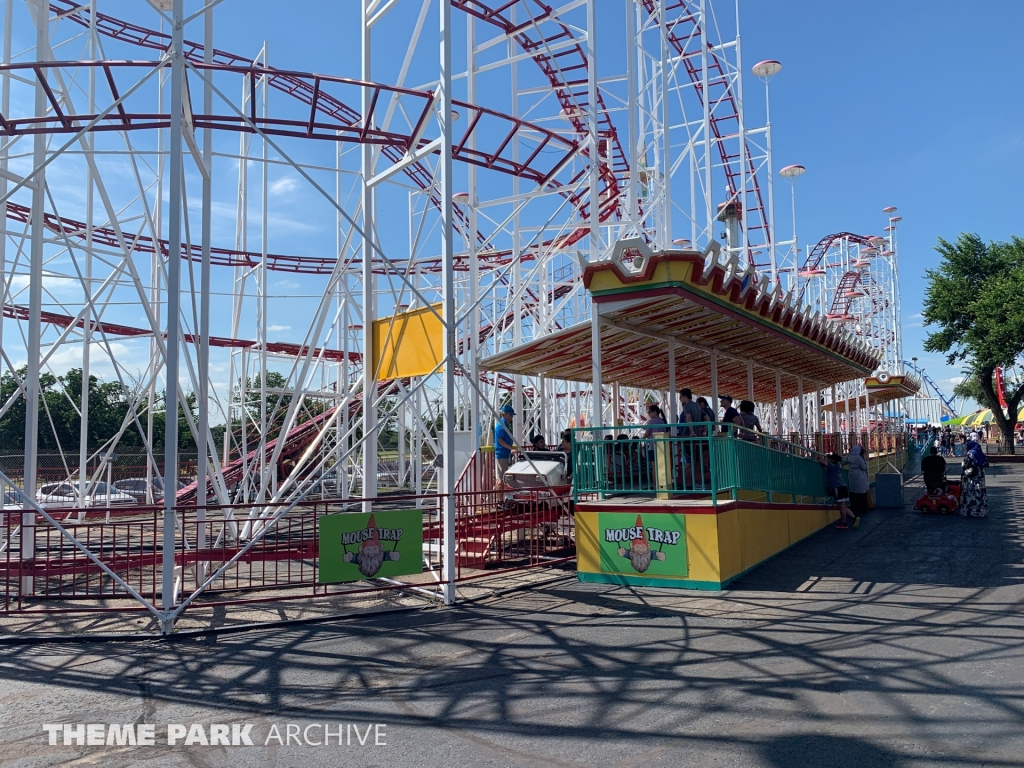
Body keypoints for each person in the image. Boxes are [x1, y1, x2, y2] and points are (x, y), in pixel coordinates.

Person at [820, 452, 858, 529]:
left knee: (841, 506)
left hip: (837, 487)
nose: (827, 459)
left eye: (829, 458)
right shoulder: (838, 466)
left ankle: (844, 523)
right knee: (843, 505)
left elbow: (821, 461)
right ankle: (854, 518)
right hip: (842, 487)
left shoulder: (832, 466)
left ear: (832, 460)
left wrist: (821, 458)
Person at [959, 439, 988, 518]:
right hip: (980, 478)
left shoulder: (970, 453)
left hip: (971, 478)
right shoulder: (981, 454)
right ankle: (981, 511)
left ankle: (970, 511)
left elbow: (964, 464)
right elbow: (985, 463)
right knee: (980, 494)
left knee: (971, 493)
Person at [493, 404, 518, 490]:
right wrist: (511, 448)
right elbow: (500, 440)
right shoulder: (501, 425)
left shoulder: (504, 424)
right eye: (510, 414)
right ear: (505, 414)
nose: (512, 416)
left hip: (504, 454)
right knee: (501, 479)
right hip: (502, 455)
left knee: (504, 478)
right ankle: (500, 501)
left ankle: (501, 499)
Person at [847, 444, 870, 517]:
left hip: (851, 476)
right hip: (859, 476)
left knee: (853, 493)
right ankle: (862, 509)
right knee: (861, 493)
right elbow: (863, 468)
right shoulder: (858, 458)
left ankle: (854, 509)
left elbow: (843, 460)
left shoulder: (849, 457)